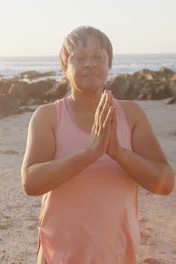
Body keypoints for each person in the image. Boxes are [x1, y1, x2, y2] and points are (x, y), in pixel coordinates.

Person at [21, 26, 174, 264]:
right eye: (79, 58)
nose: (90, 64)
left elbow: (165, 183)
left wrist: (119, 153)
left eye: (98, 57)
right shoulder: (48, 116)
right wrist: (90, 153)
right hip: (60, 254)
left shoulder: (131, 115)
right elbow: (31, 182)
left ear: (109, 63)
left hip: (117, 253)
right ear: (64, 67)